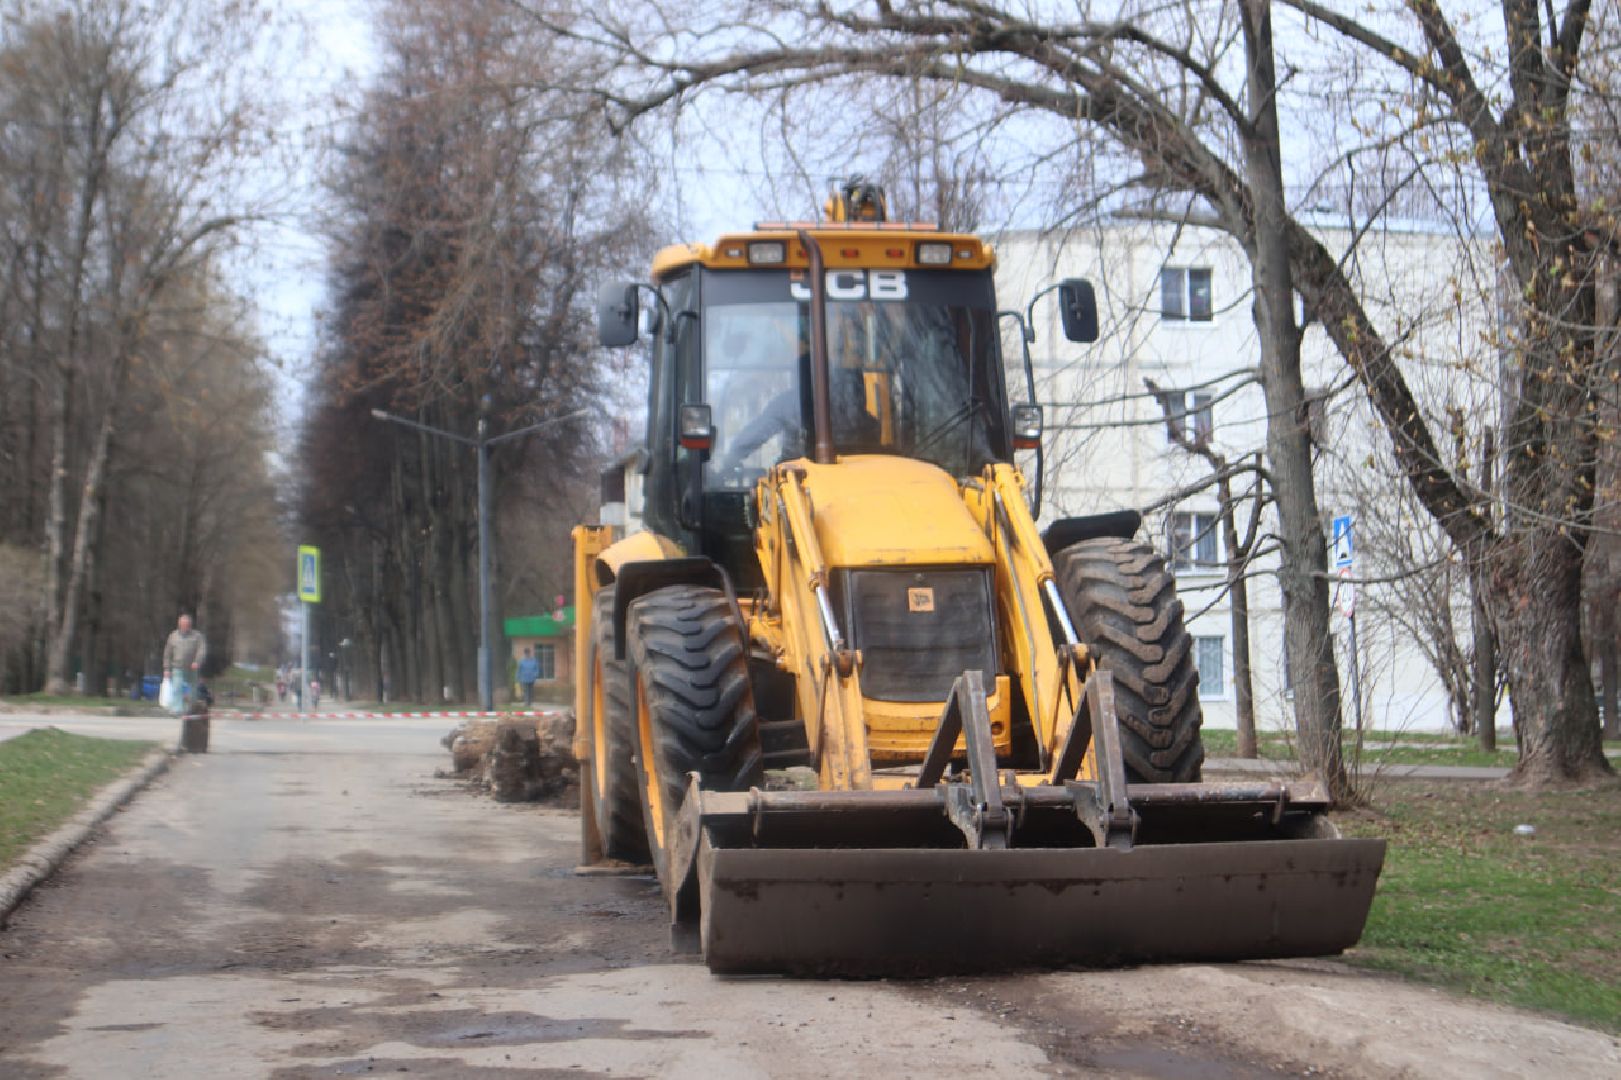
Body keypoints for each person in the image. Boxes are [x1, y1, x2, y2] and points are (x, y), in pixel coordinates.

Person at [161, 613, 207, 716]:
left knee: (193, 689)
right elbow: (167, 653)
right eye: (182, 625)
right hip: (178, 667)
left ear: (190, 625)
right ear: (179, 625)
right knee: (177, 687)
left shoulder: (197, 636)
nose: (185, 627)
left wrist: (197, 661)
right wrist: (167, 669)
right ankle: (177, 709)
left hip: (192, 667)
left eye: (187, 625)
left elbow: (202, 650)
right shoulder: (173, 636)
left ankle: (191, 709)